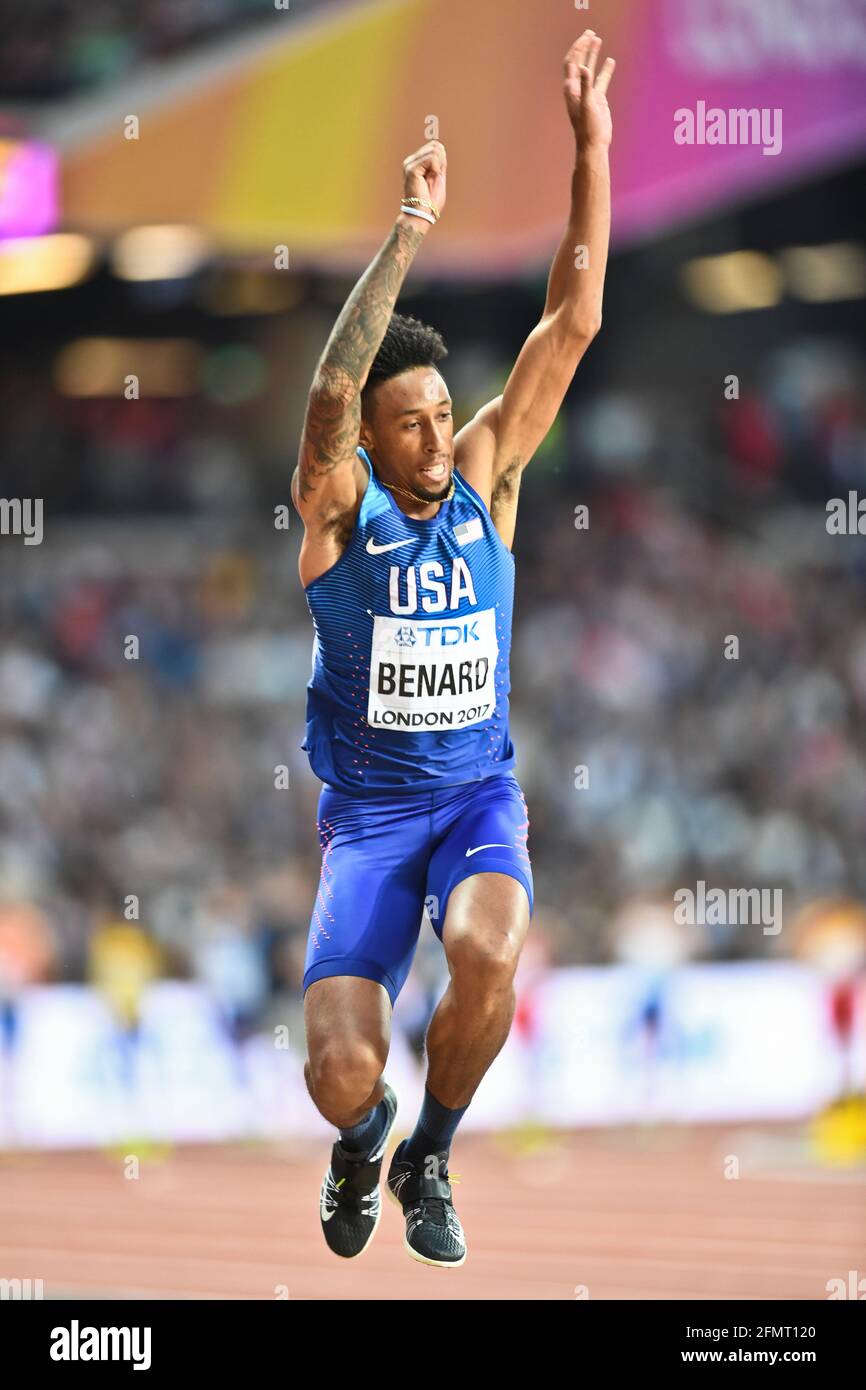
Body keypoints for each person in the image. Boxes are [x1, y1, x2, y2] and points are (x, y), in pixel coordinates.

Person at [291, 30, 614, 1267]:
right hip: (368, 819)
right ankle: (365, 1131)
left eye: (440, 414)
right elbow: (326, 397)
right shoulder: (337, 514)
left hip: (475, 792)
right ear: (371, 447)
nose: (436, 438)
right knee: (331, 1069)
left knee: (487, 947)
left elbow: (571, 320)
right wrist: (408, 231)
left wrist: (588, 143)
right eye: (409, 424)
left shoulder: (487, 479)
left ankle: (429, 1150)